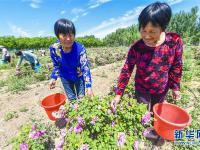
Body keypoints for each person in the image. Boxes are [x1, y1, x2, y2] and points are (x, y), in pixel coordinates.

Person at [111, 2, 183, 111]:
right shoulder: (137, 48)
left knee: (156, 113)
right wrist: (118, 94)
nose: (146, 36)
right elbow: (126, 70)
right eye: (143, 31)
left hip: (162, 88)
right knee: (143, 114)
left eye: (152, 32)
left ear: (162, 28)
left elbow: (177, 65)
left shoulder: (173, 41)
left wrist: (175, 87)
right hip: (142, 89)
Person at [49, 18, 93, 101]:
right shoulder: (54, 49)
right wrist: (54, 77)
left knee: (81, 98)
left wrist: (89, 87)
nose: (68, 39)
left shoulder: (80, 48)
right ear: (57, 35)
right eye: (64, 35)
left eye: (71, 35)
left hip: (79, 76)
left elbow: (85, 67)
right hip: (65, 77)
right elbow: (57, 65)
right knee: (72, 99)